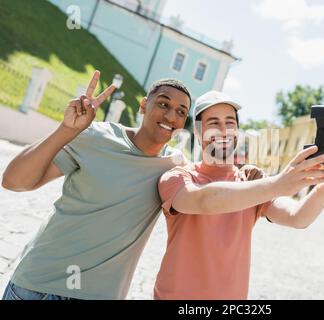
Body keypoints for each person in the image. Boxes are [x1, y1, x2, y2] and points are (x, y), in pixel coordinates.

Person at [1, 71, 194, 300]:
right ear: (143, 105)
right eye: (163, 103)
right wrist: (67, 130)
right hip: (37, 287)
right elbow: (14, 181)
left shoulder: (175, 166)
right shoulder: (96, 137)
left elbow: (210, 192)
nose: (171, 116)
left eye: (181, 112)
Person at [154, 90, 324, 299]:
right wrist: (277, 183)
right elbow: (205, 200)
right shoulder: (178, 177)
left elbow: (297, 217)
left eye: (230, 123)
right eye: (213, 123)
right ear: (198, 133)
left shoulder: (252, 182)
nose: (223, 131)